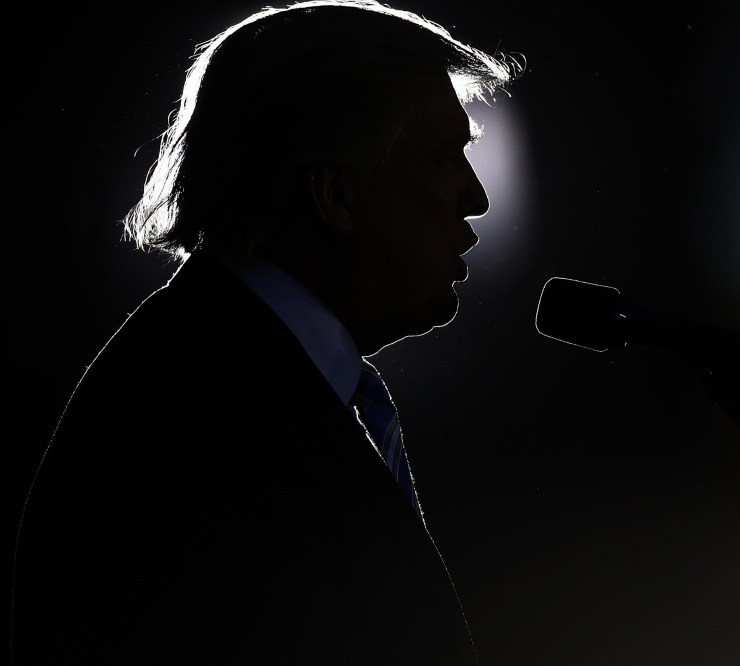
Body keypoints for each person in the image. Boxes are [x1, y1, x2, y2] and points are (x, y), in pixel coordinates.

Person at [9, 1, 520, 663]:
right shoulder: (189, 420)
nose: (477, 197)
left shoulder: (235, 376)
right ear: (334, 194)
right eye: (446, 158)